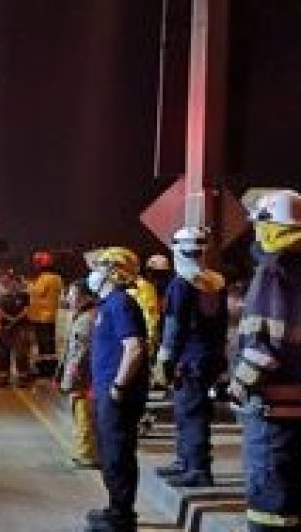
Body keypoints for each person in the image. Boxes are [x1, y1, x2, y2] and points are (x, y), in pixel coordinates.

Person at [228, 189, 301, 531]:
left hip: (273, 411)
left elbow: (263, 348)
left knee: (269, 505)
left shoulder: (273, 272)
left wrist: (237, 387)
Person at [152, 226, 229, 488]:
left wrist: (164, 359)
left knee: (189, 413)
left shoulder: (181, 284)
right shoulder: (217, 281)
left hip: (188, 359)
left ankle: (196, 468)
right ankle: (186, 461)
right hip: (209, 356)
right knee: (196, 411)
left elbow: (174, 326)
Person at [84, 246, 150, 532]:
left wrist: (118, 386)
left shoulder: (121, 303)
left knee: (117, 454)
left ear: (114, 272)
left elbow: (134, 347)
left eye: (100, 266)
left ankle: (121, 517)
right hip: (108, 390)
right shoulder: (110, 303)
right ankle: (116, 509)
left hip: (117, 393)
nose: (94, 272)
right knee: (111, 453)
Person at [59, 278, 99, 468]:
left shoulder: (86, 319)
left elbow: (79, 353)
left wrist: (71, 379)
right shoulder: (85, 315)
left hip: (83, 377)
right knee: (83, 413)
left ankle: (88, 454)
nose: (68, 298)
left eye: (72, 294)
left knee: (83, 414)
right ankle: (88, 451)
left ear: (86, 297)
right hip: (86, 376)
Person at [0, 269, 33, 387]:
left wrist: (15, 320)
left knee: (21, 354)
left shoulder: (25, 295)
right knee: (4, 354)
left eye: (15, 282)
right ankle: (3, 377)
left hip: (21, 328)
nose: (13, 285)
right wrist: (9, 319)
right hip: (5, 329)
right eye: (10, 282)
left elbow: (26, 310)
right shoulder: (1, 296)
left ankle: (23, 378)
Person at [28, 251, 65, 379]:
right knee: (50, 344)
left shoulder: (44, 278)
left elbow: (35, 293)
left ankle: (45, 370)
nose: (34, 266)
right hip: (53, 316)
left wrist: (29, 286)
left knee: (44, 345)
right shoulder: (58, 278)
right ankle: (51, 368)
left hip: (42, 317)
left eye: (36, 263)